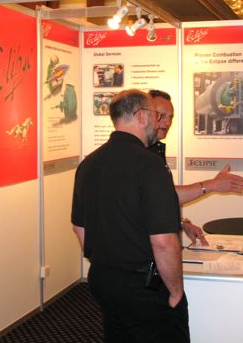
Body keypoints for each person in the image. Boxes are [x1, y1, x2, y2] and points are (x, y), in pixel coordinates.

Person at [71, 89, 189, 343]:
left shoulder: (88, 164)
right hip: (143, 286)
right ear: (142, 116)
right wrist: (176, 291)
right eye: (156, 115)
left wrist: (104, 262)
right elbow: (164, 242)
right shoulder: (150, 165)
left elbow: (79, 228)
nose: (159, 122)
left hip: (102, 280)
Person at [148, 89, 243, 244]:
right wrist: (213, 184)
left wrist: (182, 223)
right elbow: (163, 196)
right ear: (144, 115)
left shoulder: (155, 149)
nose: (167, 123)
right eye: (161, 115)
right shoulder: (138, 154)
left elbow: (159, 201)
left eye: (171, 117)